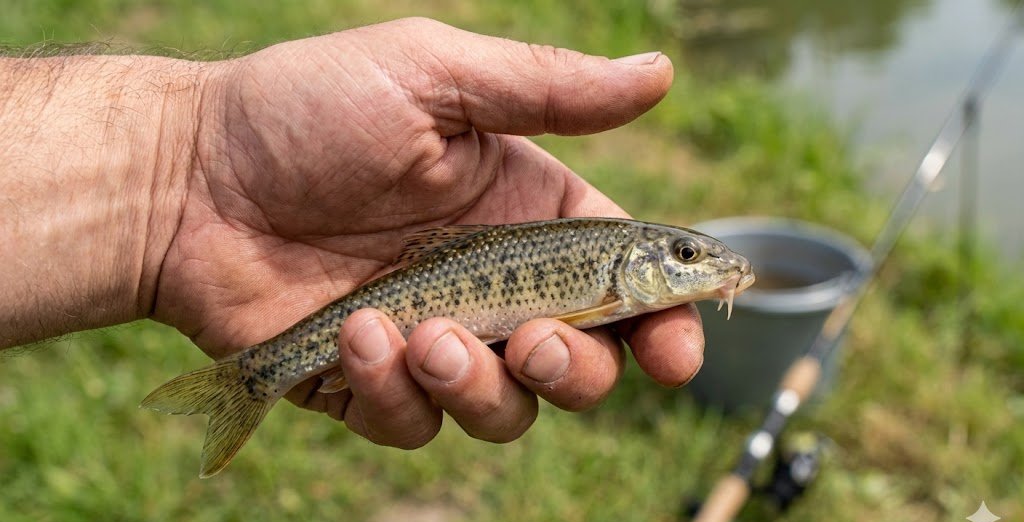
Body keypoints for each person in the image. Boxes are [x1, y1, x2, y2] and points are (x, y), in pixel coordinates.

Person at [0, 17, 703, 449]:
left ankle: (257, 376)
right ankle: (253, 378)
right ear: (639, 261)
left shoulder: (604, 260)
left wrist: (174, 175)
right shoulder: (605, 269)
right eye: (686, 255)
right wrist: (186, 165)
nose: (698, 265)